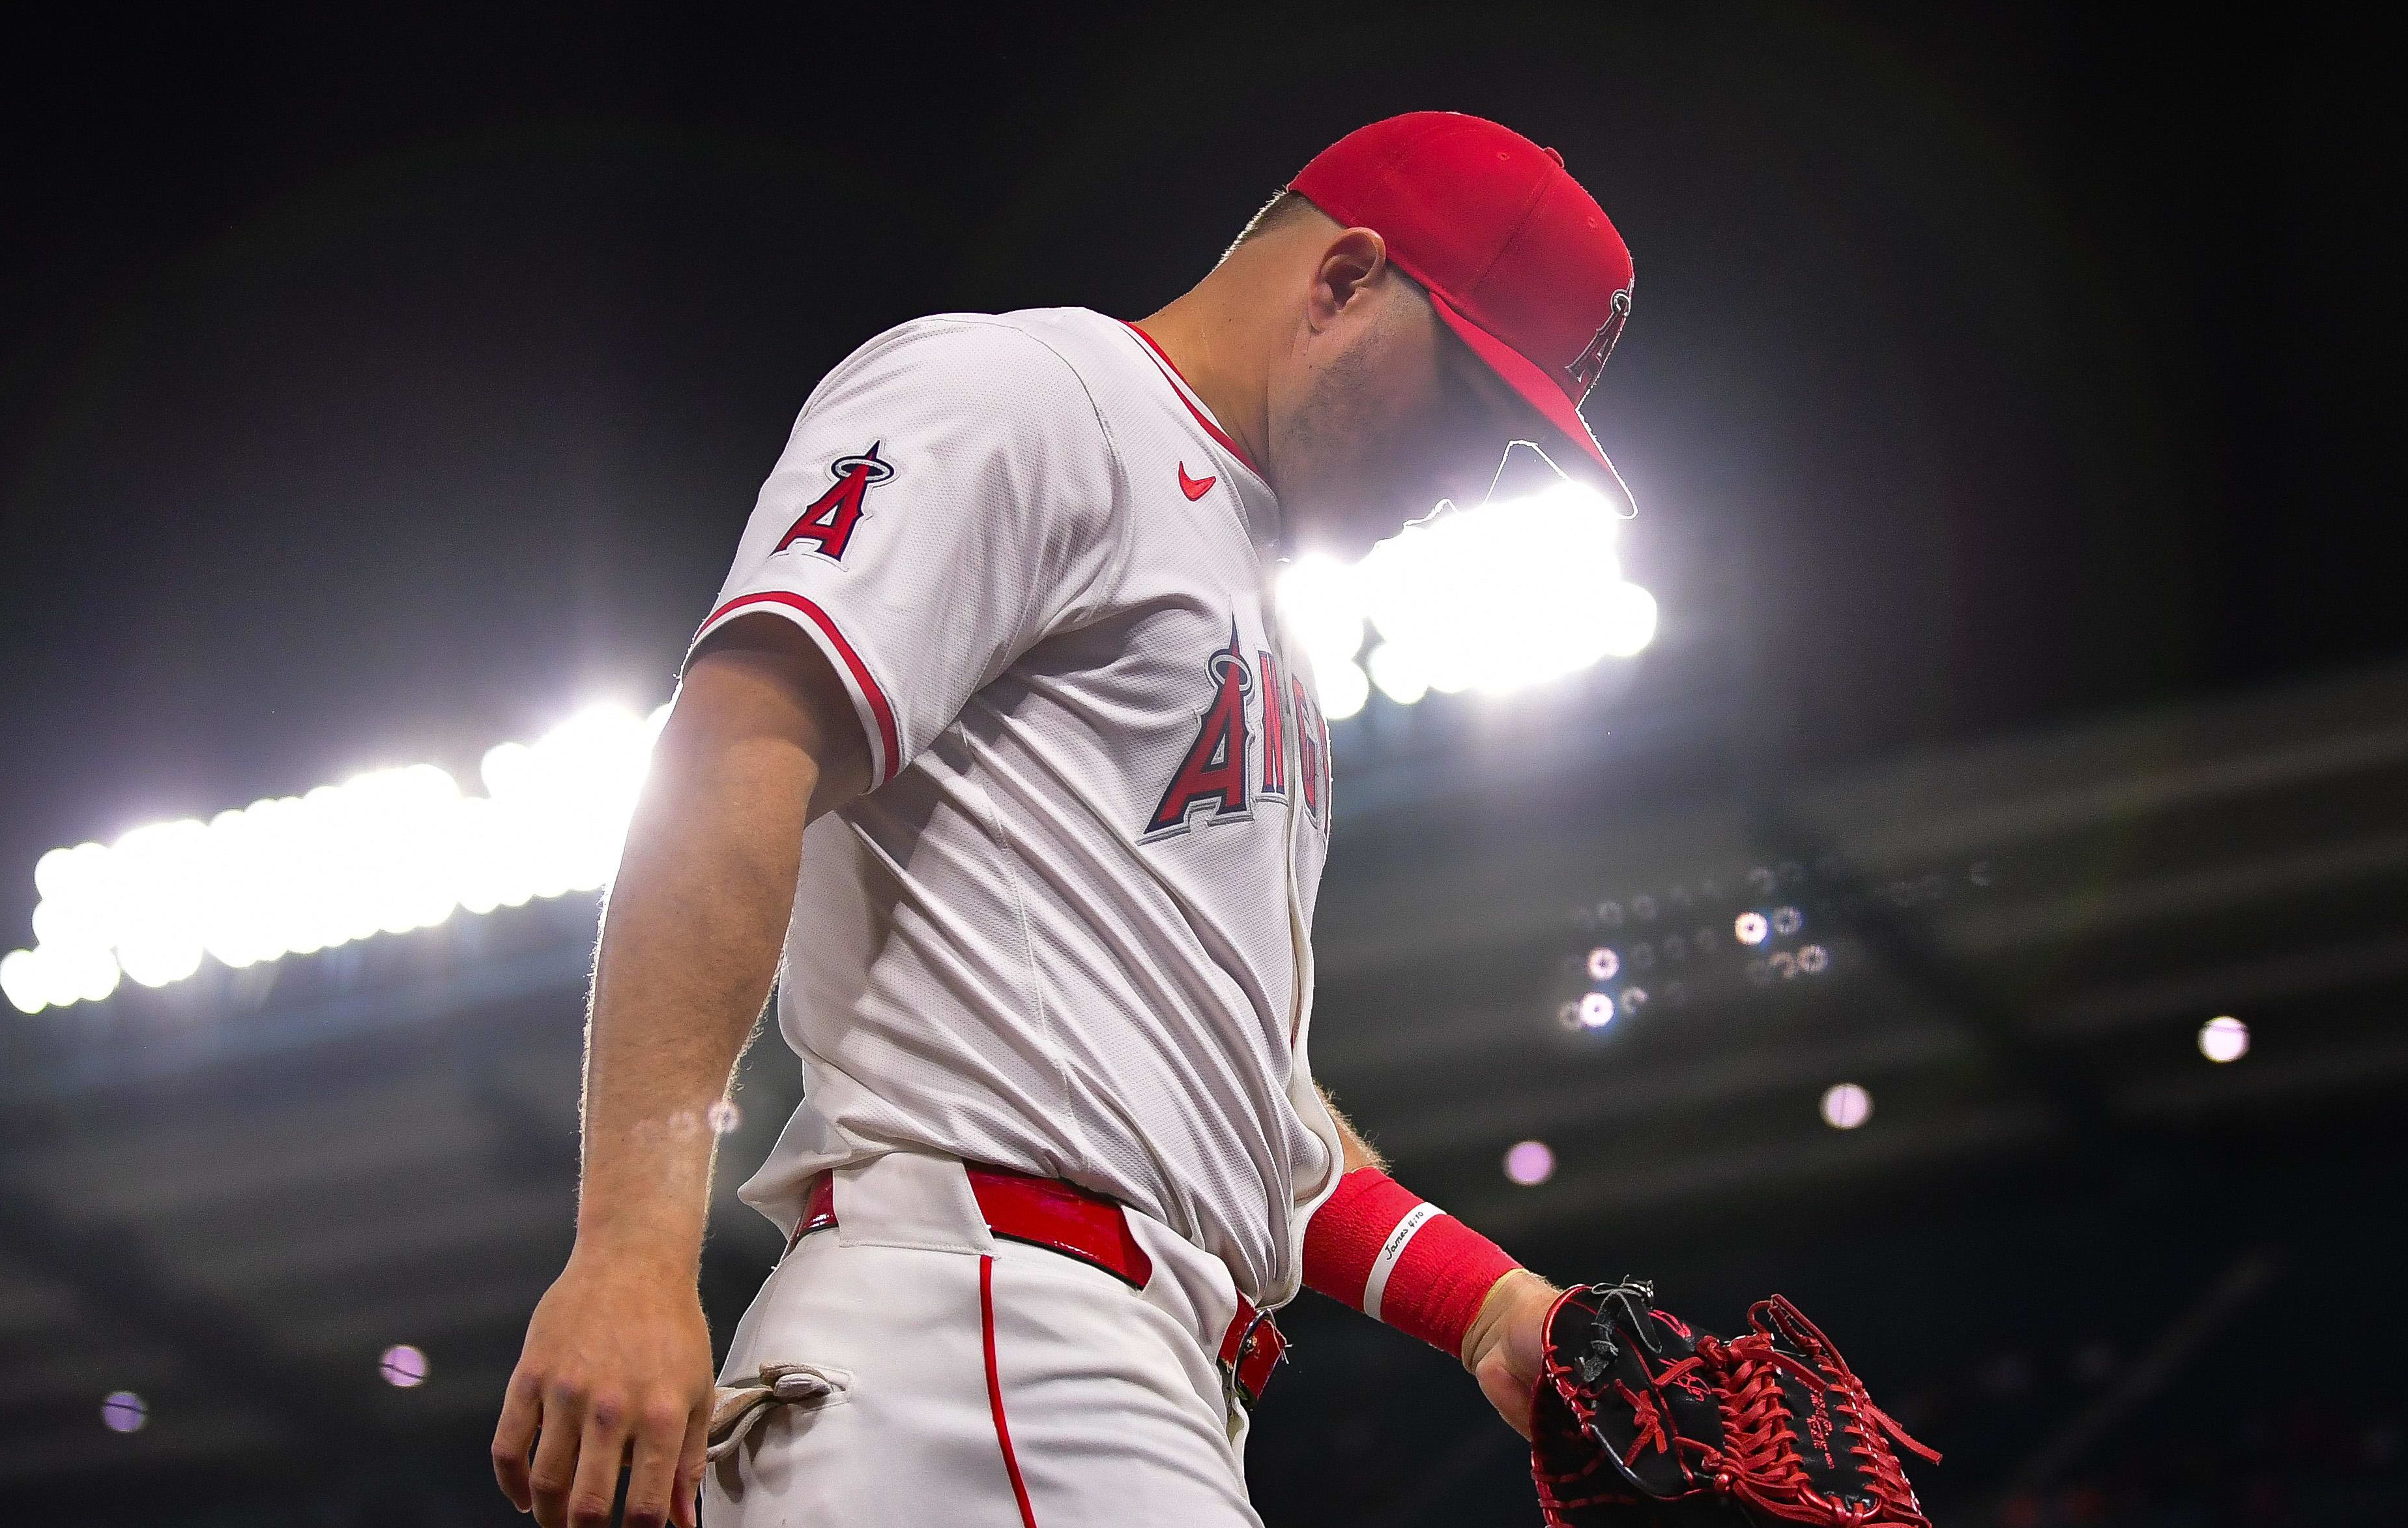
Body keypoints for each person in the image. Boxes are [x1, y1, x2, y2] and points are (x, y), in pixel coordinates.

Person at [491, 110, 1638, 1528]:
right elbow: (740, 743)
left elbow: (1229, 1104)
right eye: (1471, 407)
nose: (1474, 474)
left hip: (1096, 1375)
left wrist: (1490, 1306)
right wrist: (629, 1249)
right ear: (1341, 277)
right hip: (994, 1349)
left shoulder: (1255, 601)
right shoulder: (1029, 396)